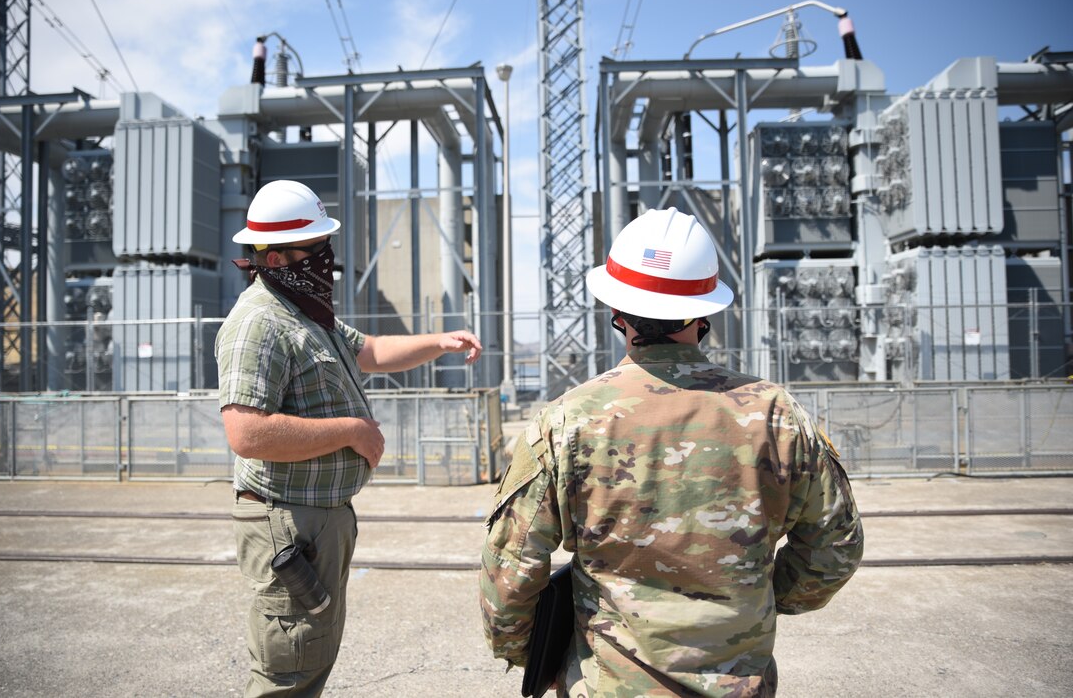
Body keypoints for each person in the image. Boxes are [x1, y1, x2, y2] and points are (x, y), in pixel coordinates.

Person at [480, 207, 863, 697]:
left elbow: (510, 567)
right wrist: (755, 600)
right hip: (739, 681)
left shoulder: (566, 420)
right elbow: (835, 548)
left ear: (616, 311)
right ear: (704, 313)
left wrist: (530, 655)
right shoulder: (777, 414)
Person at [217, 179, 481, 697]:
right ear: (272, 259)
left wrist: (441, 342)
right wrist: (353, 431)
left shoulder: (308, 313)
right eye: (314, 250)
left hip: (316, 520)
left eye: (324, 247)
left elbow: (374, 352)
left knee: (310, 656)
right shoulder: (258, 323)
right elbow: (246, 433)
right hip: (286, 521)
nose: (325, 259)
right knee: (286, 670)